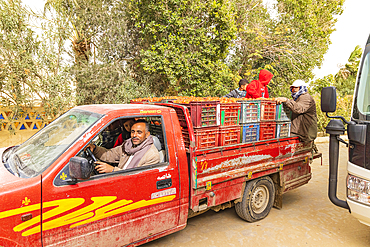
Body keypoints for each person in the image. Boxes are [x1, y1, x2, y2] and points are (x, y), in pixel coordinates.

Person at [87, 120, 160, 173]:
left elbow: (137, 177)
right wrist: (95, 148)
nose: (134, 135)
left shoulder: (152, 155)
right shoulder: (128, 145)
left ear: (147, 135)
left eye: (139, 132)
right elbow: (110, 154)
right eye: (133, 131)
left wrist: (112, 170)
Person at [275, 80, 318, 144]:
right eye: (292, 88)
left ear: (301, 88)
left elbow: (298, 108)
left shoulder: (306, 97)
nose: (294, 89)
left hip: (305, 132)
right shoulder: (297, 98)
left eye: (296, 87)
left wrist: (286, 100)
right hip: (298, 131)